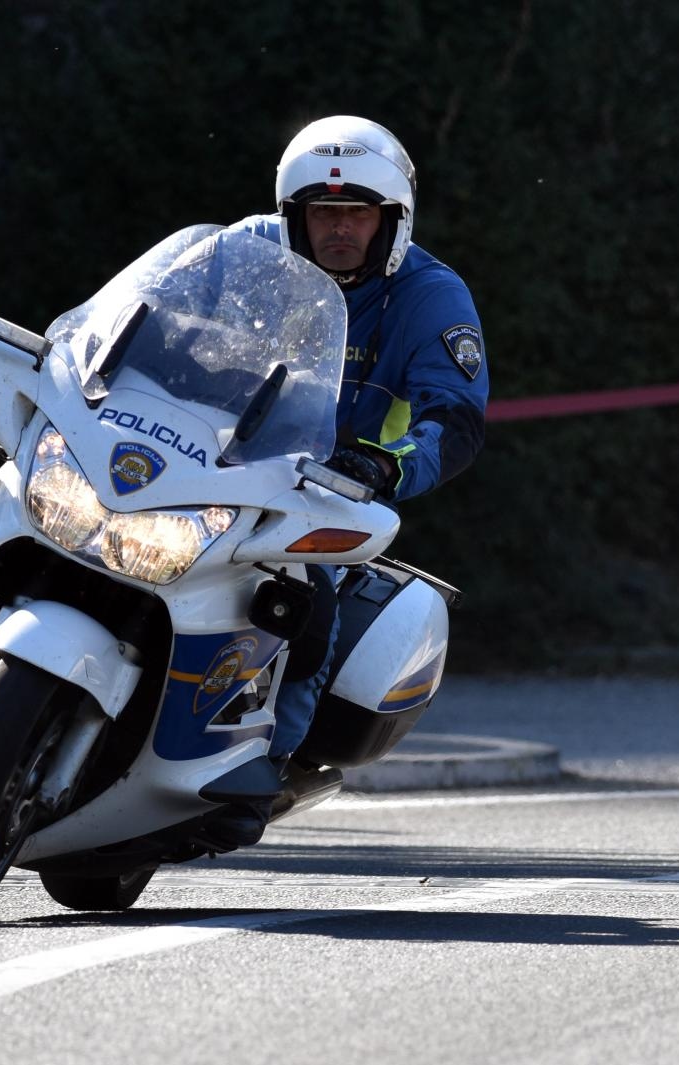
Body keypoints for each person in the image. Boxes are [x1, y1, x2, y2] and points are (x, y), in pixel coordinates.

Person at [227, 115, 489, 770]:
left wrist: (383, 466)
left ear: (393, 221)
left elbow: (454, 420)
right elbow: (142, 326)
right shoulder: (242, 254)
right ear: (294, 216)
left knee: (305, 614)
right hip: (207, 467)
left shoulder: (430, 295)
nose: (338, 228)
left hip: (325, 496)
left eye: (357, 214)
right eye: (323, 212)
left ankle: (266, 770)